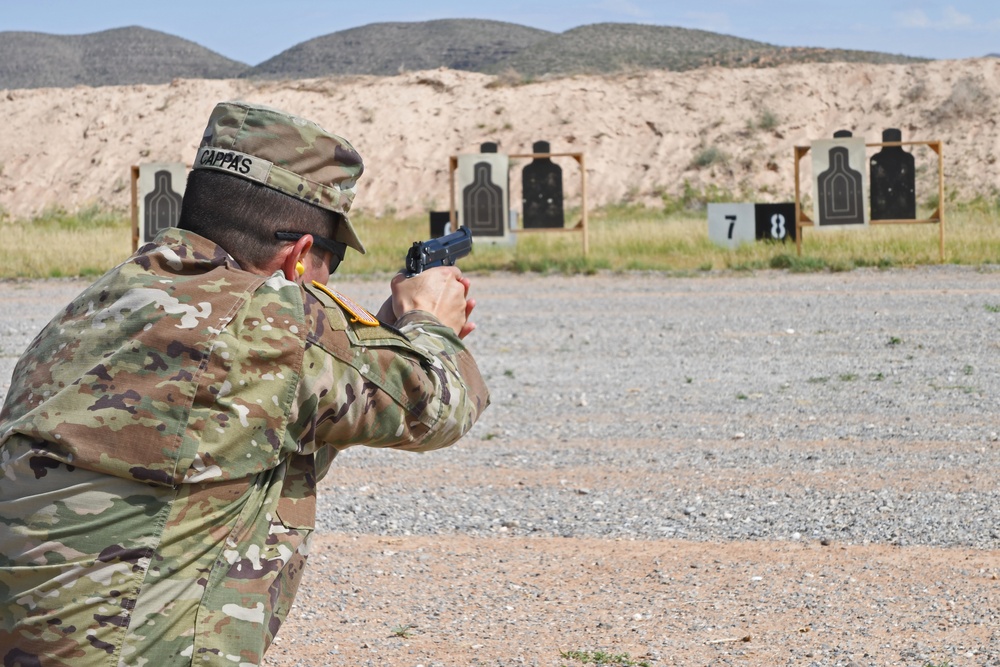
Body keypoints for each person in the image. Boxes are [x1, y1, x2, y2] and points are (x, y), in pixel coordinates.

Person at [0, 101, 489, 665]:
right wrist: (429, 323)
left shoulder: (96, 304)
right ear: (300, 258)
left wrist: (375, 333)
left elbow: (270, 398)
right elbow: (441, 405)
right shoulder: (276, 327)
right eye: (331, 261)